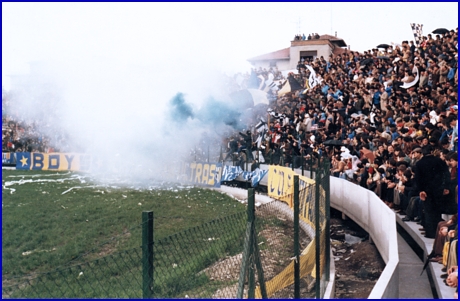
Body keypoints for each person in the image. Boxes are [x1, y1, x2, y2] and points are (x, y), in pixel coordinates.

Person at [415, 145, 450, 238]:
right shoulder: (439, 161)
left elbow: (418, 179)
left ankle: (430, 232)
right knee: (437, 211)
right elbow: (446, 174)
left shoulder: (419, 163)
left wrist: (421, 190)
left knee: (428, 211)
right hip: (438, 189)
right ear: (432, 151)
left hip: (426, 191)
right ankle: (437, 232)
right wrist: (445, 187)